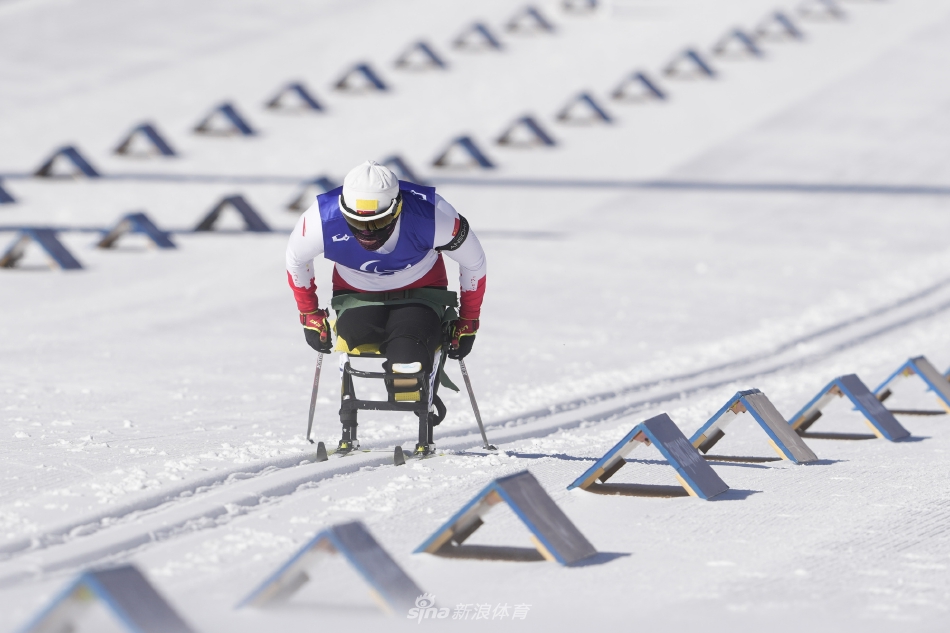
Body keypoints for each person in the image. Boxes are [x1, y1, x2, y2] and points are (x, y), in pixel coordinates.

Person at [286, 160, 487, 456]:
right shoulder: (320, 218)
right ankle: (351, 422)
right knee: (352, 336)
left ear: (398, 208)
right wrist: (310, 315)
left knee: (407, 367)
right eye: (356, 223)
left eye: (378, 222)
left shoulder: (433, 214)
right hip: (357, 295)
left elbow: (474, 262)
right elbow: (295, 260)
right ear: (343, 211)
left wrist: (468, 320)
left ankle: (418, 393)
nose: (367, 232)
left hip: (420, 294)